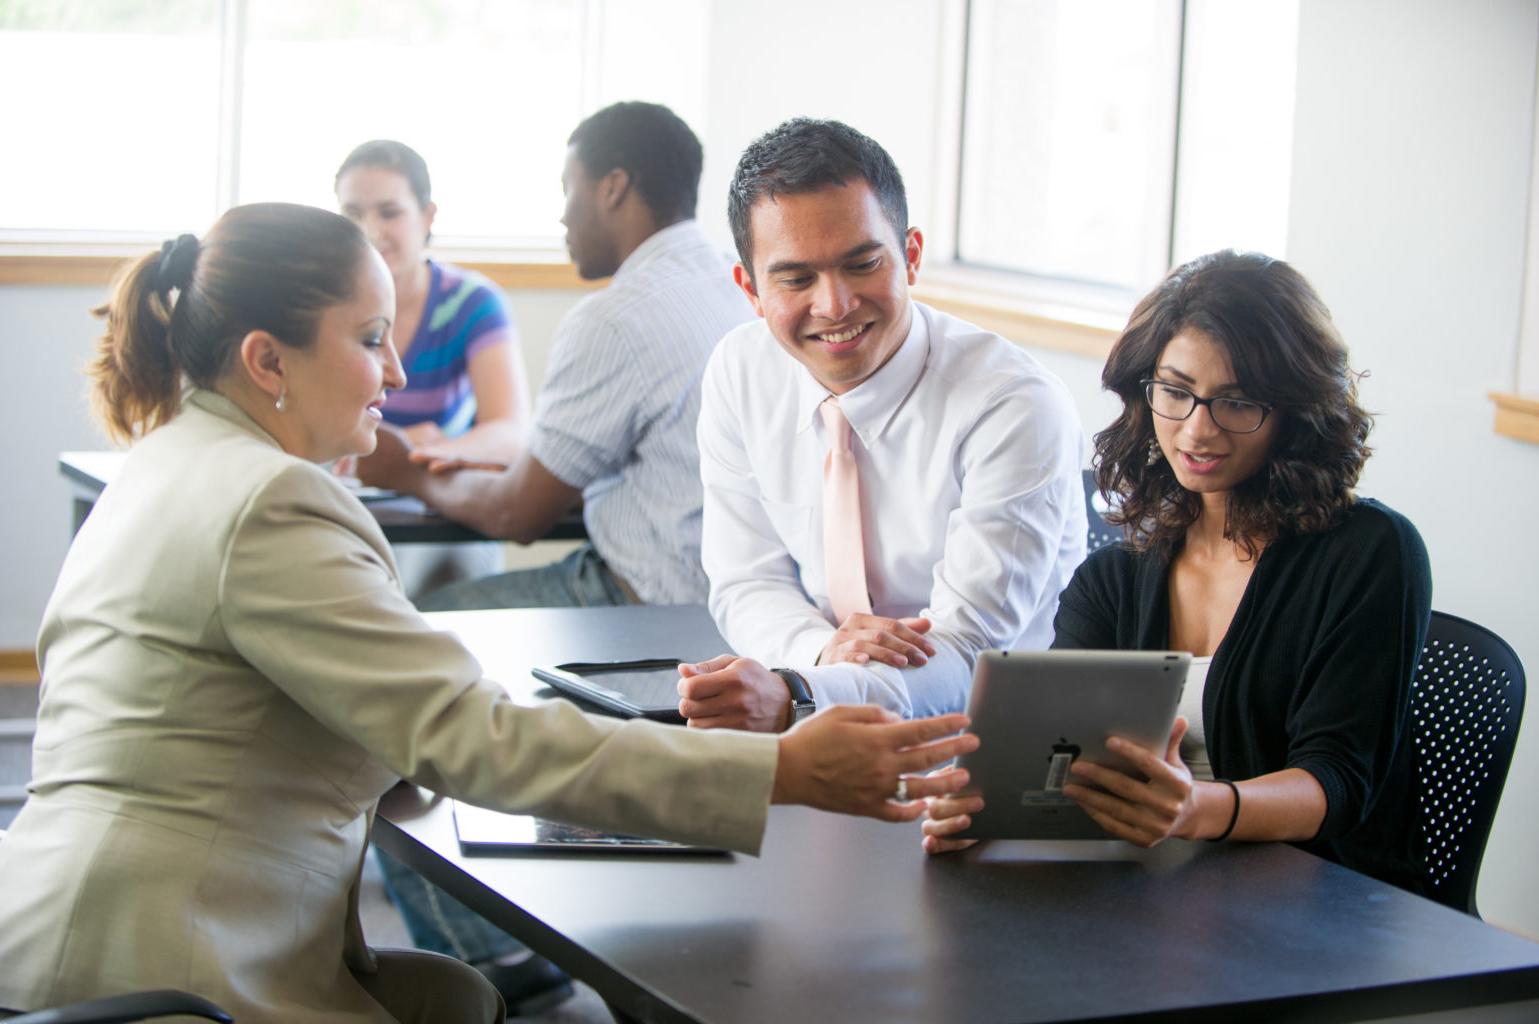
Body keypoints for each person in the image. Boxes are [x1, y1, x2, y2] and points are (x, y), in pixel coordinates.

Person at [0, 203, 978, 1022]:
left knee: (460, 998)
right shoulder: (270, 503)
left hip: (78, 925)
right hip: (172, 962)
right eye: (372, 339)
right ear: (267, 359)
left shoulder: (169, 461)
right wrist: (784, 770)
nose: (392, 375)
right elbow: (470, 741)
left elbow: (301, 711)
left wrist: (432, 735)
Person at [923, 250, 1433, 897]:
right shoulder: (1113, 576)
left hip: (1325, 899)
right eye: (1175, 392)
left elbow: (1337, 781)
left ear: (1295, 410)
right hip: (1161, 890)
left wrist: (1197, 810)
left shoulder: (1369, 553)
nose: (1197, 430)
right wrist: (985, 804)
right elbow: (1055, 754)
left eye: (1236, 401)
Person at [679, 118, 1086, 734]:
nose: (835, 305)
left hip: (991, 737)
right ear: (751, 290)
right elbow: (745, 580)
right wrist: (822, 655)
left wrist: (800, 690)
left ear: (911, 256)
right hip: (817, 720)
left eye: (862, 264)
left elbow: (968, 652)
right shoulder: (740, 369)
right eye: (796, 279)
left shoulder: (1012, 404)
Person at [359, 102, 752, 612]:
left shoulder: (614, 319)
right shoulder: (739, 283)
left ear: (612, 188)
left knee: (419, 624)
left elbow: (516, 516)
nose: (562, 214)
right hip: (733, 599)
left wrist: (399, 470)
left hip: (651, 601)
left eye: (568, 189)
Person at [335, 139, 530, 464]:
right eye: (353, 213)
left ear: (428, 216)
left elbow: (511, 433)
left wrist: (404, 451)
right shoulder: (324, 306)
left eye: (389, 212)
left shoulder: (474, 303)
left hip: (435, 498)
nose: (370, 229)